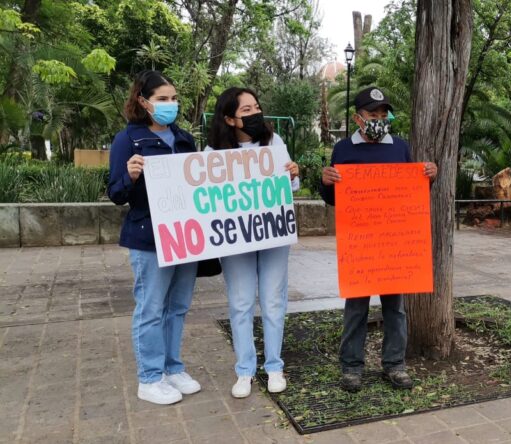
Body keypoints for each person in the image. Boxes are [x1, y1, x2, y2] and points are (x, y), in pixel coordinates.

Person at [320, 87, 437, 392]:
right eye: (373, 114)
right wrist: (325, 182)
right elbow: (334, 200)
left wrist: (429, 176)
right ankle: (351, 367)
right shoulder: (344, 150)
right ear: (358, 119)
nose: (380, 119)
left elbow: (414, 193)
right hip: (359, 246)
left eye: (384, 114)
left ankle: (395, 365)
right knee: (356, 309)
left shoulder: (399, 147)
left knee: (395, 308)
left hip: (394, 244)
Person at [108, 70, 202, 405]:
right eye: (163, 99)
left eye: (174, 98)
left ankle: (172, 368)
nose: (170, 104)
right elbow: (115, 193)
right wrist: (130, 175)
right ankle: (149, 377)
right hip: (149, 237)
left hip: (186, 237)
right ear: (143, 101)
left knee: (177, 307)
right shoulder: (128, 140)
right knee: (151, 308)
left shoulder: (185, 139)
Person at [206, 87, 301, 398]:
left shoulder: (274, 143)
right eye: (246, 110)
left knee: (274, 301)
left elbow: (292, 186)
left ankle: (274, 366)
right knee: (241, 303)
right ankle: (244, 370)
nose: (255, 113)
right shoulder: (212, 155)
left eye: (256, 107)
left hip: (272, 235)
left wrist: (293, 173)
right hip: (236, 240)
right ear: (229, 118)